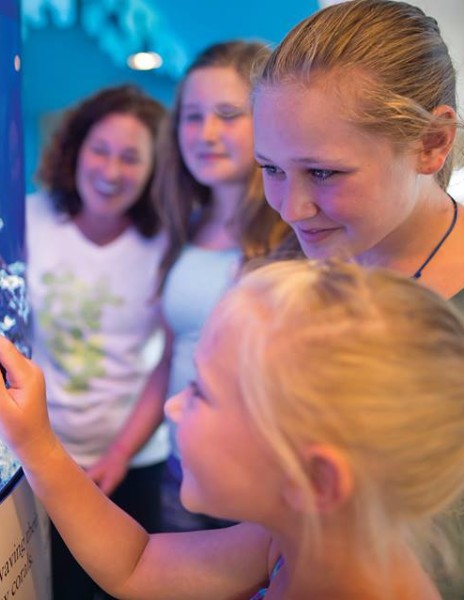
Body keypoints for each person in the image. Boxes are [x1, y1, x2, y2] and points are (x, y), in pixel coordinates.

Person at [0, 259, 464, 599]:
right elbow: (137, 565)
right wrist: (36, 443)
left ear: (314, 477)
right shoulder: (300, 542)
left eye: (202, 392)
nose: (172, 407)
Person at [24, 84, 169, 599]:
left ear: (156, 167)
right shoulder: (31, 219)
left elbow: (168, 363)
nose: (111, 172)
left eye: (131, 158)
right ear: (76, 148)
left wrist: (121, 453)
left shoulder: (167, 243)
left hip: (133, 463)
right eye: (101, 150)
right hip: (38, 460)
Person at [150, 40, 291, 532]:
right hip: (181, 475)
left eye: (228, 114)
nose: (206, 133)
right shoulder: (184, 224)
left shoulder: (298, 232)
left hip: (262, 492)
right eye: (192, 116)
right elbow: (169, 357)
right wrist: (119, 454)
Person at [253, 0, 464, 304]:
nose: (291, 211)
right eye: (272, 169)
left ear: (431, 142)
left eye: (322, 172)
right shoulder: (284, 268)